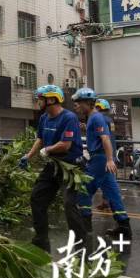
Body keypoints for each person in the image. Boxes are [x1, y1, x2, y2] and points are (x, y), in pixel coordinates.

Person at [19, 85, 86, 252]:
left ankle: (80, 243)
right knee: (37, 198)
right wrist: (28, 156)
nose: (38, 102)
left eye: (40, 99)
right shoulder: (44, 118)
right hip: (53, 165)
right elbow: (40, 139)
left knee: (70, 204)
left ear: (51, 99)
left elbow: (65, 145)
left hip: (70, 166)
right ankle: (41, 240)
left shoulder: (69, 118)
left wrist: (48, 150)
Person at [72, 89, 131, 241]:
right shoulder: (93, 118)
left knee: (84, 190)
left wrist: (110, 160)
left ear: (88, 103)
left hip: (99, 159)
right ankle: (124, 227)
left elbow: (105, 139)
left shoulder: (97, 118)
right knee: (112, 193)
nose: (76, 106)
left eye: (78, 103)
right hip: (101, 158)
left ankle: (85, 226)